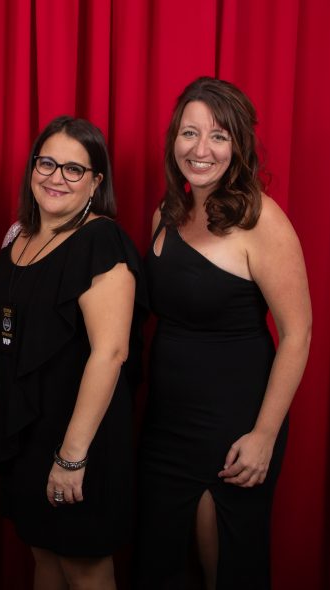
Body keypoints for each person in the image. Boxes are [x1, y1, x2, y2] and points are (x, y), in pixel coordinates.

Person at [135, 77, 312, 589]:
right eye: (189, 133)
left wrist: (264, 435)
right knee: (160, 563)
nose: (201, 149)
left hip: (233, 425)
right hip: (166, 421)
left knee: (225, 567)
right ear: (174, 140)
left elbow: (298, 332)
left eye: (218, 136)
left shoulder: (261, 219)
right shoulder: (166, 214)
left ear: (238, 145)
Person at [0, 116, 147, 589]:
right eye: (47, 163)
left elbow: (111, 352)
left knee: (82, 565)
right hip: (26, 427)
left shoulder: (101, 240)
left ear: (96, 181)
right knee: (44, 555)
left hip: (80, 433)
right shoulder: (18, 236)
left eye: (74, 169)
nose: (56, 177)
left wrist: (71, 457)